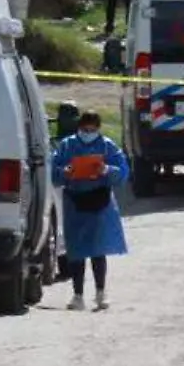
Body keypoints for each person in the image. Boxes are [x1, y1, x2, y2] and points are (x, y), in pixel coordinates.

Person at [50, 111, 130, 310]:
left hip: (100, 200)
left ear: (98, 129)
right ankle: (77, 295)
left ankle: (101, 293)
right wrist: (65, 172)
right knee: (76, 250)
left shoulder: (107, 146)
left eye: (92, 130)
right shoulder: (67, 146)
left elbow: (123, 173)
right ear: (79, 128)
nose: (88, 134)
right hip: (75, 201)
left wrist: (106, 170)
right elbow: (53, 172)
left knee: (97, 248)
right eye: (85, 130)